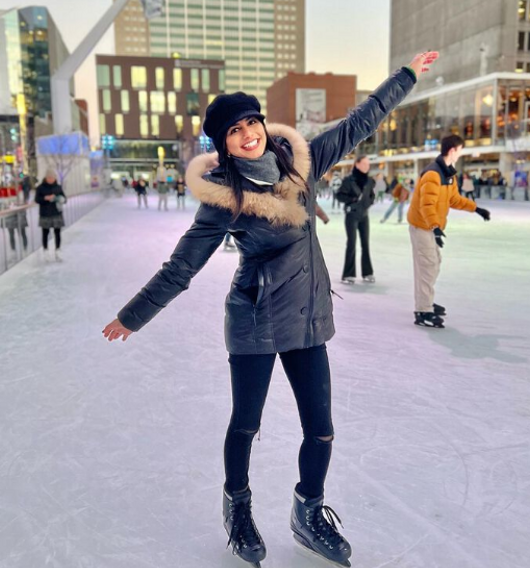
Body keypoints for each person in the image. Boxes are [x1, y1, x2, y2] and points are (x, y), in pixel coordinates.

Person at [101, 52, 440, 567]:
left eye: (251, 122)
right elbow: (180, 268)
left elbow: (359, 122)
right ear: (224, 145)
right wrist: (133, 315)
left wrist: (407, 76)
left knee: (321, 428)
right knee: (246, 424)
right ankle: (238, 508)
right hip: (255, 317)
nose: (248, 133)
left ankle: (308, 511)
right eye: (235, 130)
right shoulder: (222, 198)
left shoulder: (300, 166)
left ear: (263, 125)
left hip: (306, 316)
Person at [407, 134, 492, 327]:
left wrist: (476, 209)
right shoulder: (433, 174)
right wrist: (435, 227)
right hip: (423, 226)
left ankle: (425, 300)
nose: (460, 155)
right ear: (452, 150)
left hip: (431, 227)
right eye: (460, 151)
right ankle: (423, 310)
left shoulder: (448, 175)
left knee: (434, 263)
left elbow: (454, 199)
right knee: (427, 266)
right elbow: (426, 205)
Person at [335, 155, 377, 284]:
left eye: (368, 164)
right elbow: (339, 195)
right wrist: (352, 201)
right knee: (352, 243)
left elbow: (371, 195)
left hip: (364, 215)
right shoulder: (349, 180)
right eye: (364, 164)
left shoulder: (369, 181)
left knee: (365, 244)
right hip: (351, 215)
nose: (367, 166)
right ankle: (348, 274)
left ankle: (367, 272)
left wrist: (367, 203)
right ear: (357, 164)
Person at [35, 171, 67, 261]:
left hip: (56, 213)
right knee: (45, 233)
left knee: (57, 233)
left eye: (52, 178)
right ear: (46, 178)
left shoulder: (58, 187)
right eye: (49, 178)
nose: (51, 179)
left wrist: (59, 199)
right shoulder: (40, 188)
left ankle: (58, 250)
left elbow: (65, 199)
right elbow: (37, 199)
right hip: (45, 213)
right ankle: (45, 251)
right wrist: (45, 198)